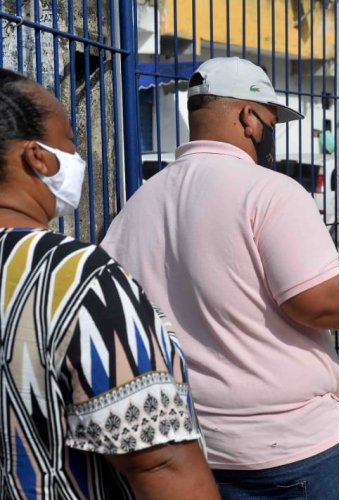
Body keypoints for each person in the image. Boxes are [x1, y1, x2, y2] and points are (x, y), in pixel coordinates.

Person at [101, 57, 339, 499]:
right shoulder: (269, 191)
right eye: (272, 120)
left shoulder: (138, 205)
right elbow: (318, 299)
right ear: (250, 118)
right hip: (297, 452)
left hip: (193, 447)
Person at [0, 69, 219, 499]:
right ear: (37, 157)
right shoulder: (76, 277)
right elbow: (160, 461)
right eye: (69, 141)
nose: (76, 156)